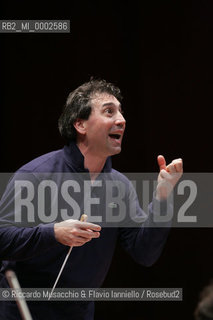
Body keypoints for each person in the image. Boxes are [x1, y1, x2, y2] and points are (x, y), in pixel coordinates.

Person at [0, 79, 183, 319]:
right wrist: (53, 232)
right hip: (24, 310)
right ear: (80, 124)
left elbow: (145, 253)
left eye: (120, 111)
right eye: (109, 111)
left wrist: (162, 197)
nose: (121, 119)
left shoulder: (119, 186)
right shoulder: (35, 175)